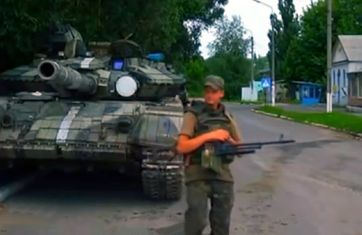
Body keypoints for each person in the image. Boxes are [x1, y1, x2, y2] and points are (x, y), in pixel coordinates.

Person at [176, 75, 242, 235]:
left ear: (221, 94)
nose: (209, 95)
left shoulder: (227, 116)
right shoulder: (193, 114)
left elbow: (238, 147)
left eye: (214, 91)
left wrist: (230, 144)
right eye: (207, 91)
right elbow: (181, 146)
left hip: (221, 173)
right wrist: (210, 136)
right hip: (197, 173)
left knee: (222, 224)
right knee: (197, 220)